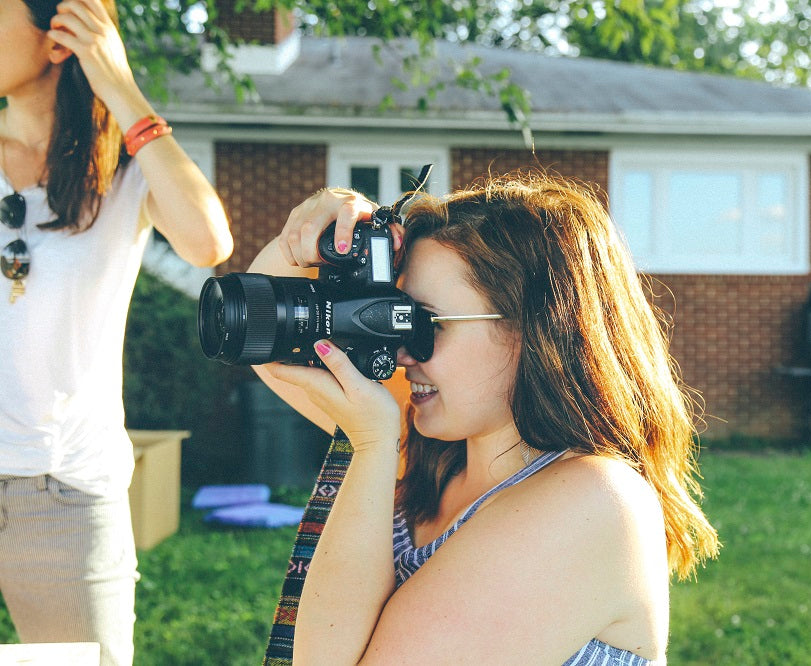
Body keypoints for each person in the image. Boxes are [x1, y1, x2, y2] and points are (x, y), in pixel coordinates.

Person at [250, 172, 718, 665]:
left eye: (426, 323)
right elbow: (270, 342)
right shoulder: (435, 454)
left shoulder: (593, 502)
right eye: (397, 314)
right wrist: (323, 229)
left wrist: (370, 446)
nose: (403, 350)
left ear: (537, 330)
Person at [0, 0, 232, 664]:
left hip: (63, 491)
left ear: (58, 41)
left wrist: (120, 84)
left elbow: (207, 240)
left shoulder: (125, 174)